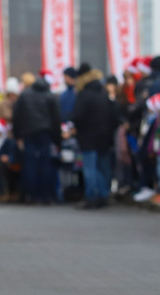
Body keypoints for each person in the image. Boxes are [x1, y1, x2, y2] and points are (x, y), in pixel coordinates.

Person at [70, 66, 120, 208]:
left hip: (88, 137)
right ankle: (103, 195)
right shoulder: (104, 95)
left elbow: (77, 116)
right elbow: (114, 116)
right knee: (102, 168)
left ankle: (91, 196)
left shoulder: (84, 95)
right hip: (104, 138)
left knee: (90, 169)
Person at [12, 72, 61, 204]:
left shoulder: (25, 95)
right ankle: (46, 196)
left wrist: (17, 135)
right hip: (46, 133)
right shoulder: (50, 96)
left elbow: (16, 117)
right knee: (46, 164)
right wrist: (58, 140)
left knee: (29, 164)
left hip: (28, 133)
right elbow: (56, 119)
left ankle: (30, 195)